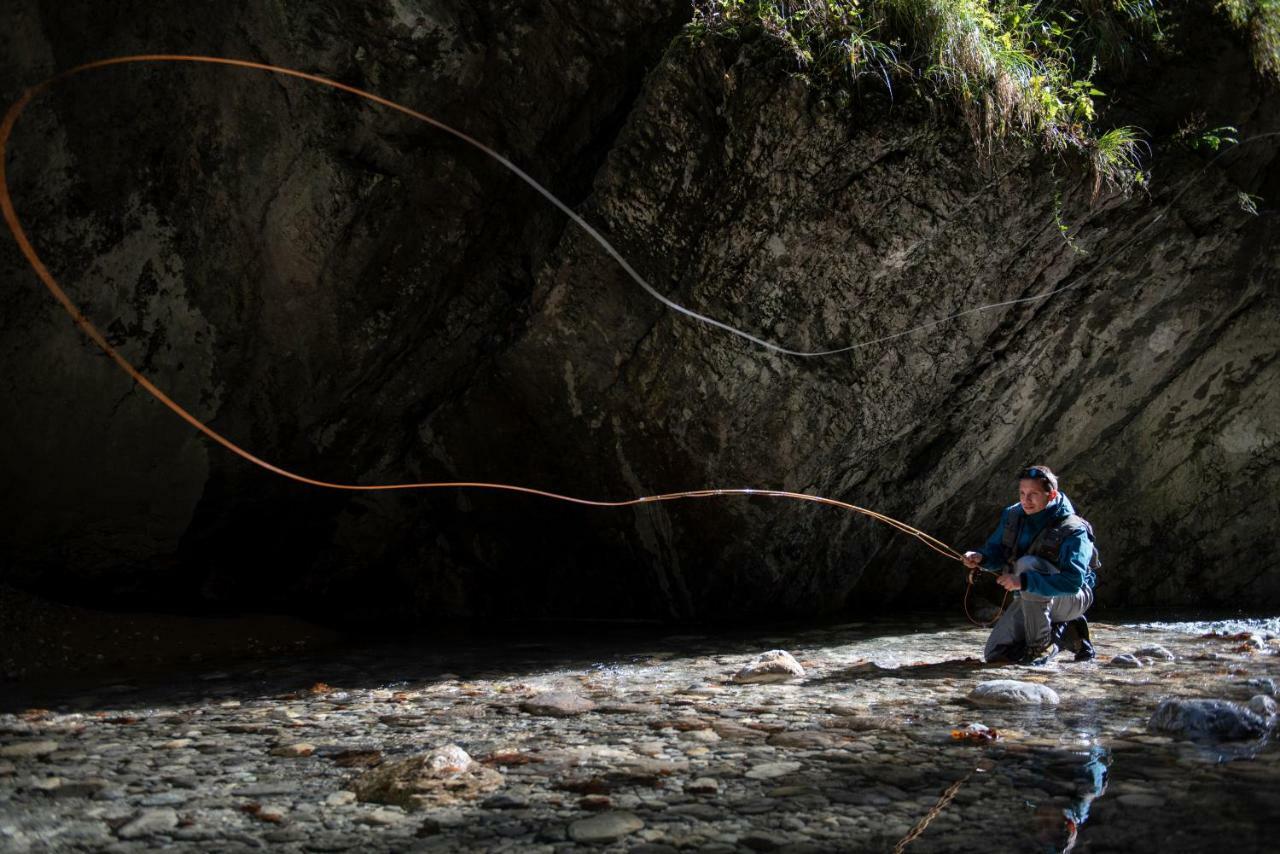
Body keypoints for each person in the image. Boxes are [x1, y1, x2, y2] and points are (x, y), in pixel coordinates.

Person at [963, 465, 1099, 665]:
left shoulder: (1075, 529)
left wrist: (1023, 581)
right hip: (1032, 597)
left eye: (1033, 494)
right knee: (996, 654)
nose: (1025, 500)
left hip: (1074, 597)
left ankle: (1041, 645)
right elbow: (997, 552)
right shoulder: (1012, 516)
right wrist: (980, 558)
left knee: (1027, 564)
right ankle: (1069, 630)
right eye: (1022, 493)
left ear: (1051, 495)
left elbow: (1072, 582)